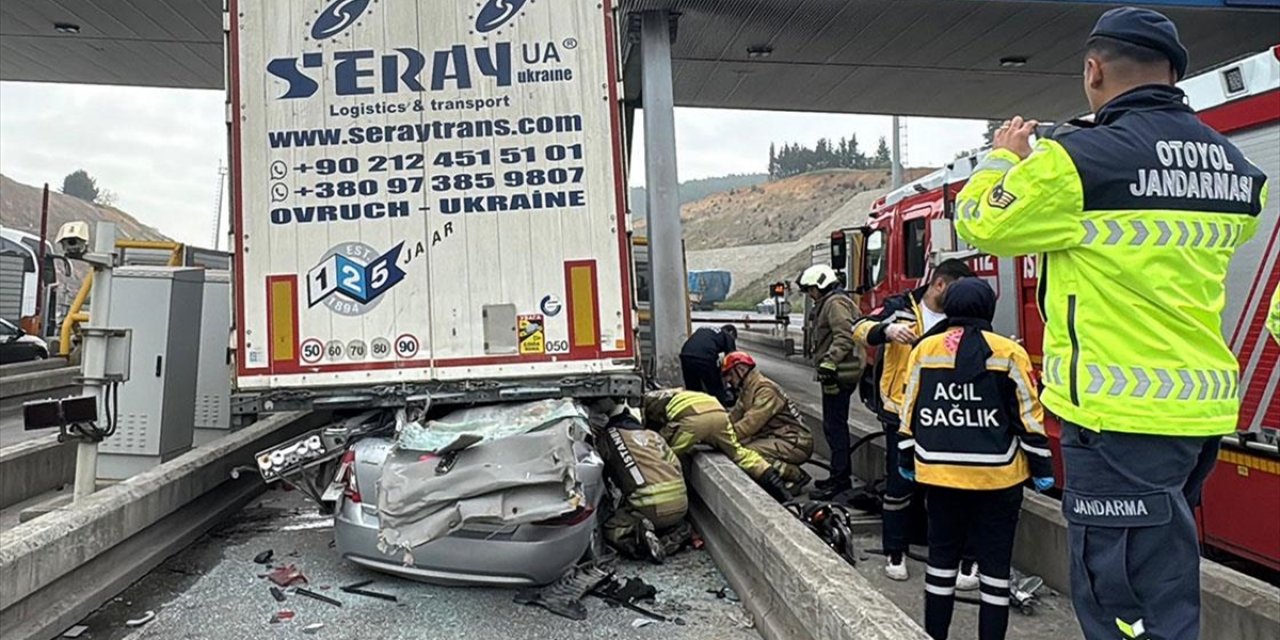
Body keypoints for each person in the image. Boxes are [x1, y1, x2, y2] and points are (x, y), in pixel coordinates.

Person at [954, 8, 1268, 639]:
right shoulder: (1237, 170)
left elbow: (981, 223)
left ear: (1093, 70)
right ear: (1175, 74)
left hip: (1121, 415)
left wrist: (1002, 160)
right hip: (1200, 407)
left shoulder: (1081, 159)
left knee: (1122, 604)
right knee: (1166, 579)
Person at [898, 278, 1055, 640]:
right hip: (998, 481)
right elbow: (1028, 416)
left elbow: (911, 409)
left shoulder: (926, 349)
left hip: (939, 477)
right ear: (988, 308)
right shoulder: (1008, 353)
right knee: (995, 573)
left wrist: (906, 456)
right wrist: (1041, 467)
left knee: (940, 566)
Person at [852, 258, 976, 582]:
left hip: (942, 412)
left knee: (944, 484)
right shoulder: (899, 306)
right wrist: (887, 330)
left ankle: (946, 552)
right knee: (899, 483)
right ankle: (896, 552)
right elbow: (860, 328)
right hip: (899, 411)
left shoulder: (959, 315)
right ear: (940, 284)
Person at [643, 388, 792, 502]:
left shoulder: (652, 404)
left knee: (667, 457)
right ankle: (778, 487)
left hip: (693, 420)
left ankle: (662, 497)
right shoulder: (684, 393)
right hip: (719, 413)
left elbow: (664, 436)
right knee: (739, 454)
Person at [798, 264, 865, 502]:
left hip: (840, 372)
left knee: (835, 427)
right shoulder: (831, 301)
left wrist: (830, 360)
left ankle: (840, 480)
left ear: (822, 284)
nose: (810, 294)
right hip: (836, 371)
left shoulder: (835, 304)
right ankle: (838, 476)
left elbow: (844, 335)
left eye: (811, 289)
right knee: (832, 425)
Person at [593, 403, 689, 563]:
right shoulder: (654, 436)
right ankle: (673, 533)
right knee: (666, 517)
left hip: (650, 507)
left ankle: (636, 534)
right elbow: (677, 465)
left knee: (608, 526)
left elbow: (606, 477)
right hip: (681, 505)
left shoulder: (609, 437)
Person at [721, 351, 815, 494]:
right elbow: (734, 417)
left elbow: (750, 424)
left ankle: (795, 475)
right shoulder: (748, 390)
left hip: (795, 442)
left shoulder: (765, 390)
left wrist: (723, 440)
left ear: (740, 369)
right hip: (780, 437)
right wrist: (717, 429)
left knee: (747, 453)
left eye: (729, 374)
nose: (728, 380)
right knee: (741, 448)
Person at [680, 324, 739, 406]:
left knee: (693, 390)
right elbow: (732, 359)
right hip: (705, 357)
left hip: (685, 354)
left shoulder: (706, 330)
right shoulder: (727, 335)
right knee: (715, 388)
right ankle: (720, 410)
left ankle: (695, 410)